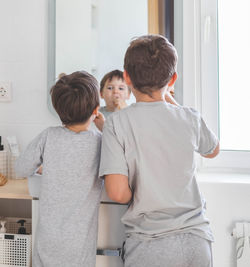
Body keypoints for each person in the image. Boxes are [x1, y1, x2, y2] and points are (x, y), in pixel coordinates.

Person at [99, 35, 219, 267]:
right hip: (197, 242)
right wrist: (168, 99)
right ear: (172, 79)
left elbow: (117, 193)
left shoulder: (117, 122)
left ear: (127, 77)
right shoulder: (189, 117)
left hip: (150, 245)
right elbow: (212, 150)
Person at [16, 71, 104, 267]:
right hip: (79, 247)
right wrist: (105, 127)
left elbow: (21, 169)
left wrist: (42, 168)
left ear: (57, 108)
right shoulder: (100, 142)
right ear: (96, 109)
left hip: (48, 242)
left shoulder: (49, 136)